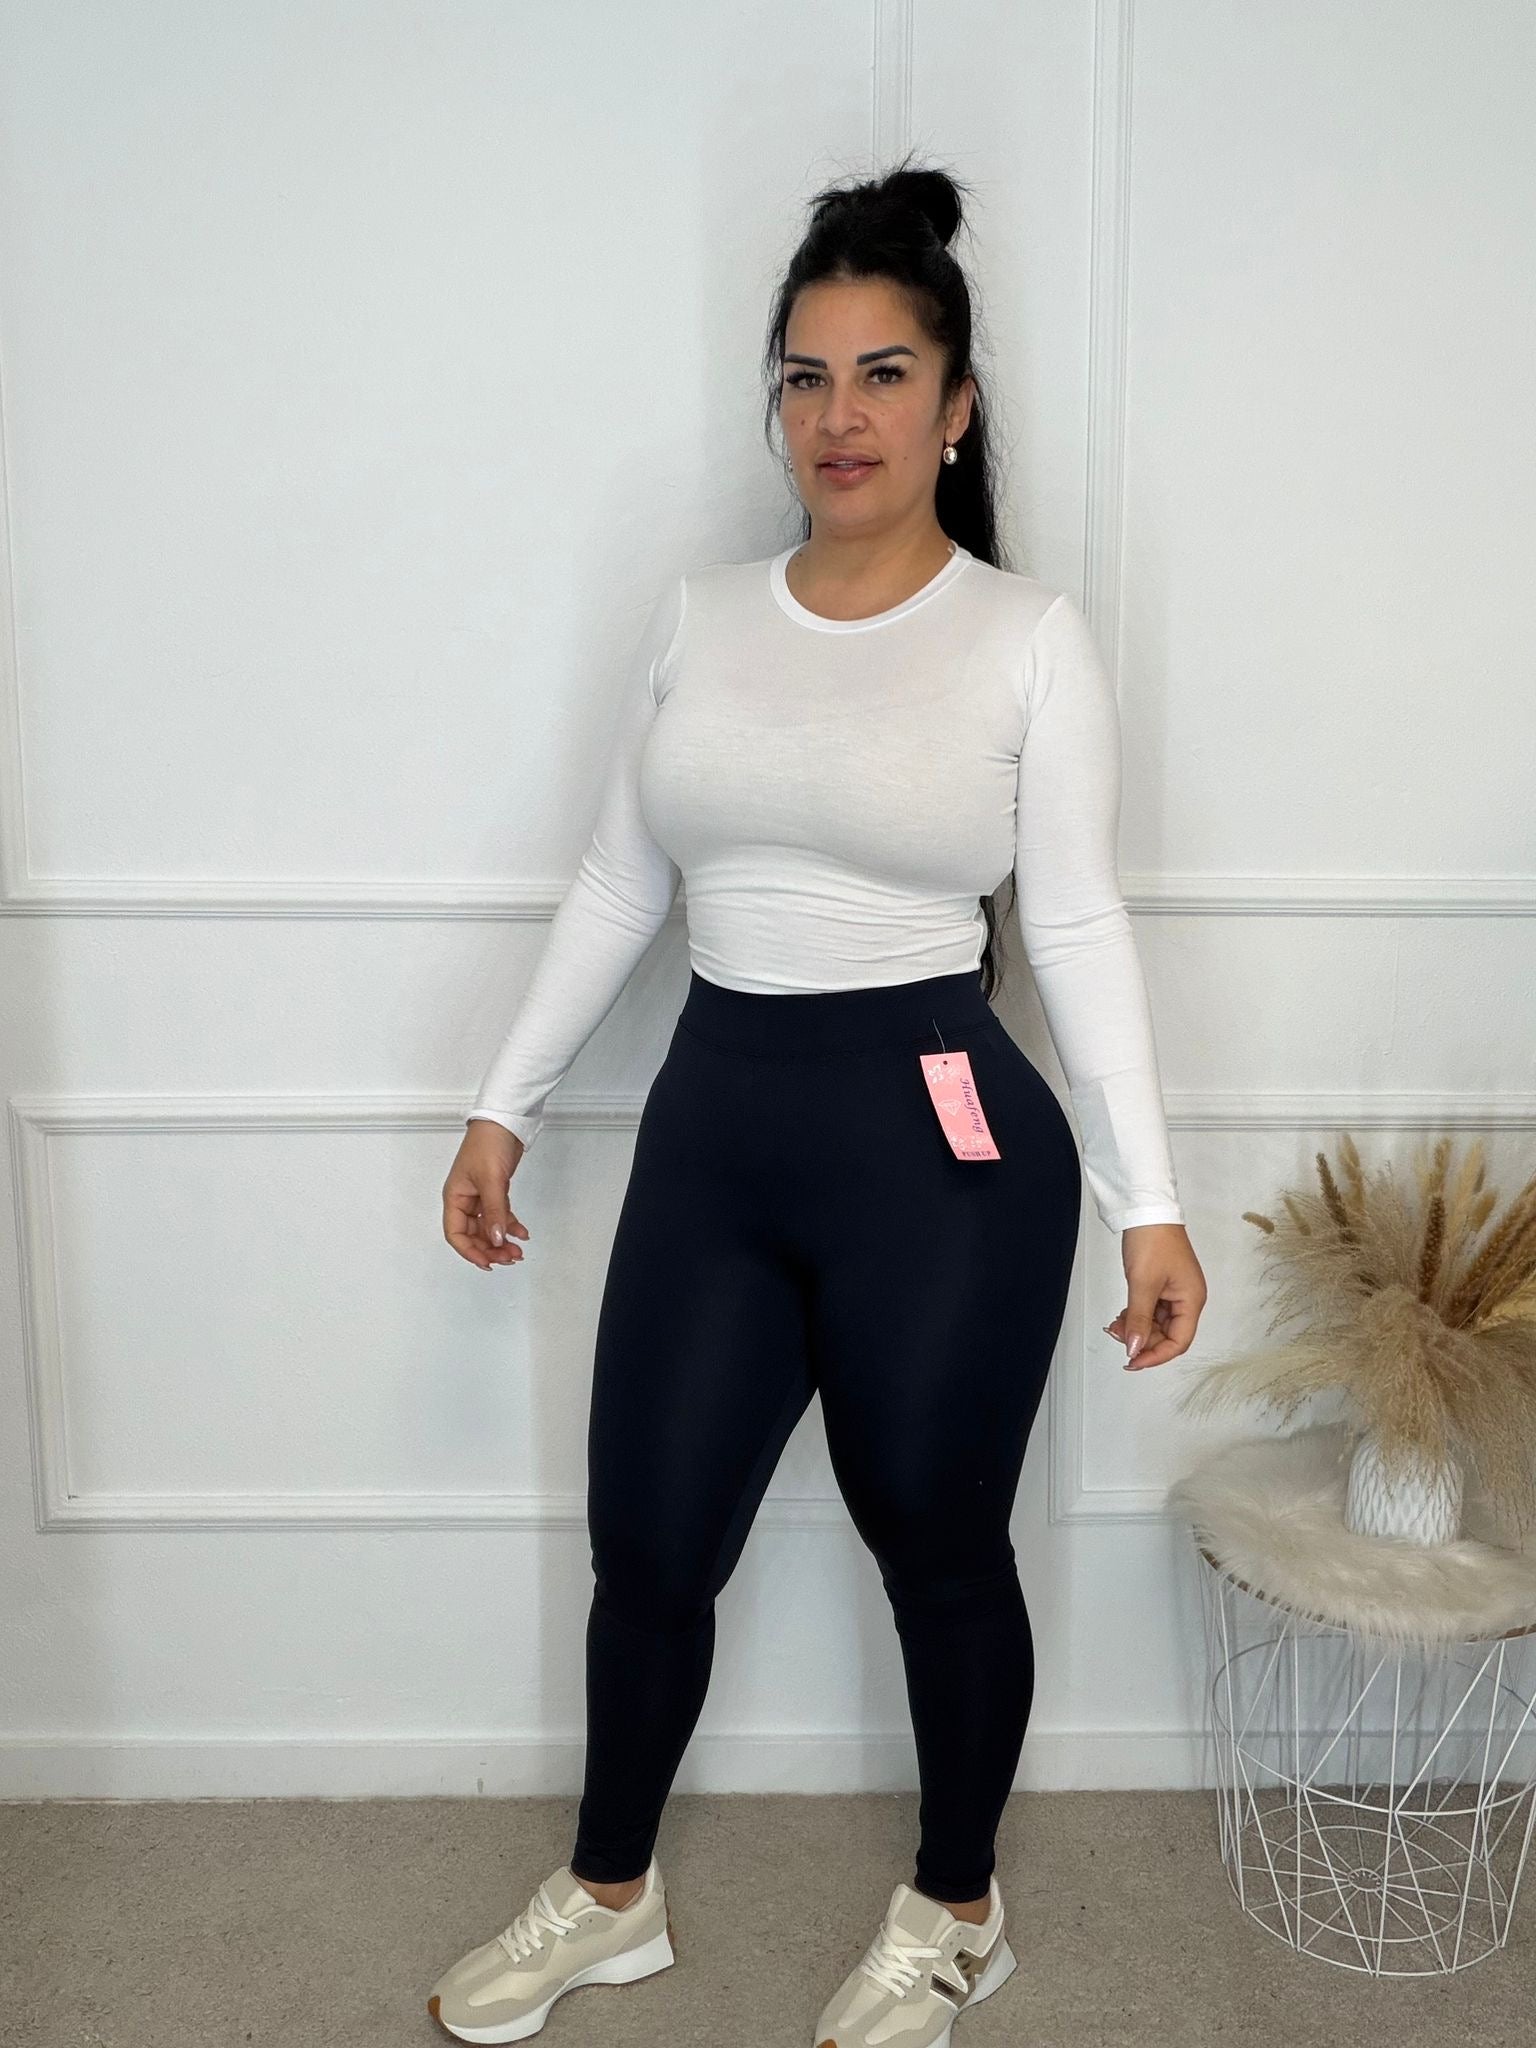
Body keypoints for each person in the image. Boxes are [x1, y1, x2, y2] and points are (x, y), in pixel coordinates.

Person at [427, 153, 1207, 2048]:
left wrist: (1151, 1200)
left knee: (935, 1545)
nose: (838, 415)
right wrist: (502, 1102)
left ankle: (960, 1909)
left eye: (882, 374)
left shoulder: (1027, 636)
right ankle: (612, 1895)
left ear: (957, 408)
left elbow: (1074, 922)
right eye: (804, 376)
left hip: (936, 1151)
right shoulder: (701, 614)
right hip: (718, 1126)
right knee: (648, 1540)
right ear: (773, 400)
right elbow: (618, 878)